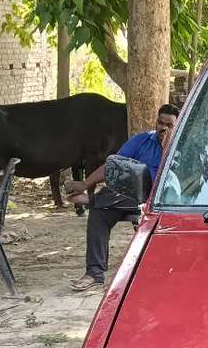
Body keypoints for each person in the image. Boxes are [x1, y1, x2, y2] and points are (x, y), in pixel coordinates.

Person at [67, 103, 180, 291]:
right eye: (160, 123)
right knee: (99, 213)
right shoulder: (141, 141)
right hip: (125, 197)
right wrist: (84, 184)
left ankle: (92, 200)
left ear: (176, 126)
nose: (163, 128)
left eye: (169, 125)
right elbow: (113, 166)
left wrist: (166, 149)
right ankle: (94, 273)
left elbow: (171, 183)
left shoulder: (181, 148)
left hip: (159, 200)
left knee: (102, 202)